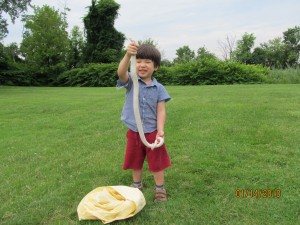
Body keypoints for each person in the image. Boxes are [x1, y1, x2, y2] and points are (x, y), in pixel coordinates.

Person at [117, 42, 171, 202]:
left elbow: (161, 110)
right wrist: (128, 55)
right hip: (134, 131)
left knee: (157, 162)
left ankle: (160, 188)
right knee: (135, 160)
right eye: (139, 61)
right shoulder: (131, 81)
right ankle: (137, 184)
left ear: (156, 67)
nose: (142, 65)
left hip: (152, 132)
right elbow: (121, 73)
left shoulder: (159, 88)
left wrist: (160, 130)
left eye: (147, 62)